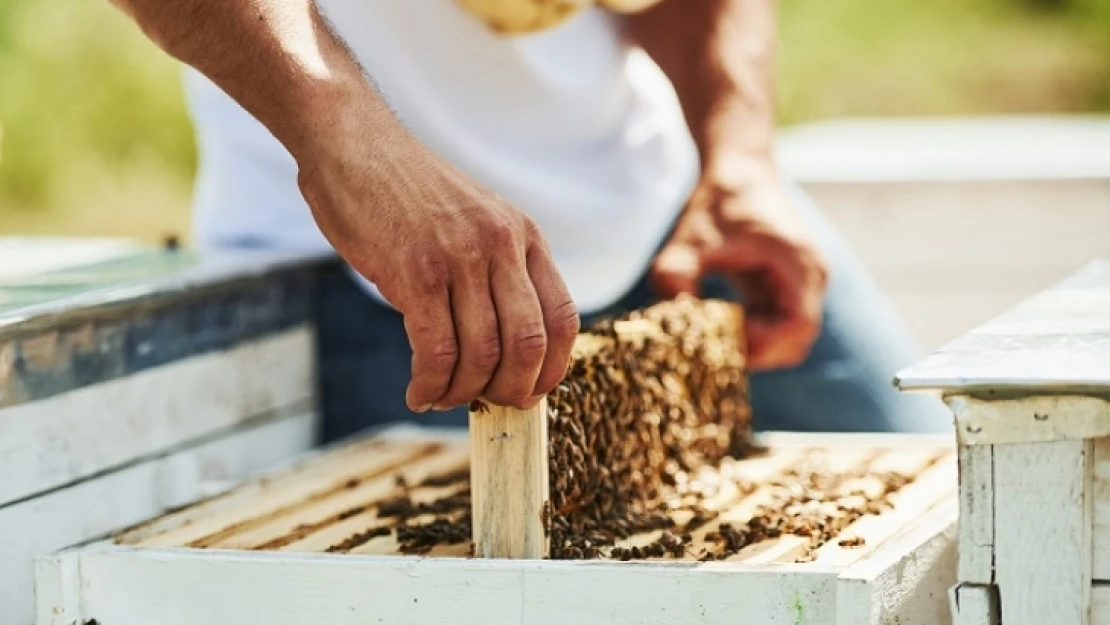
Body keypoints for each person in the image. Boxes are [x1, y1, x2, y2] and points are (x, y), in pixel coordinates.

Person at [108, 0, 951, 442]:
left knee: (952, 516)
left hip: (677, 223)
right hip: (374, 283)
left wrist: (738, 152)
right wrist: (348, 142)